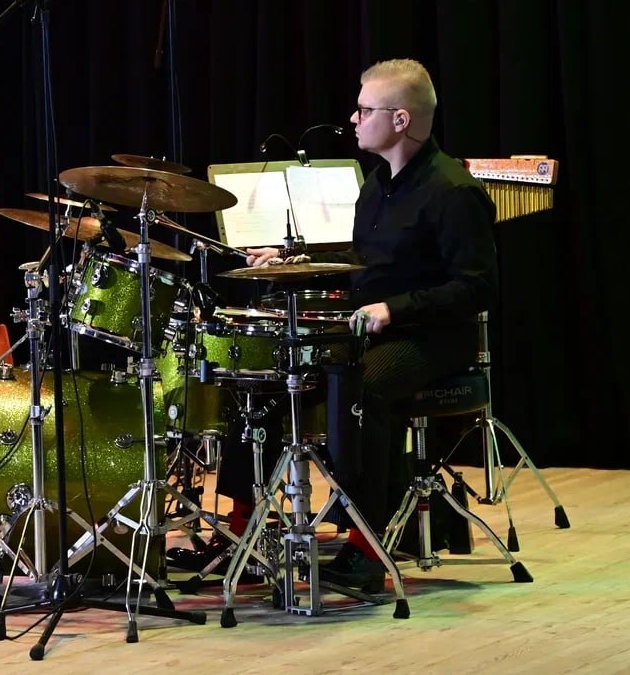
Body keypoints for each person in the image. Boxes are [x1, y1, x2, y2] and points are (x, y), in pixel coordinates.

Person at [167, 58, 497, 591]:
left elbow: (477, 287)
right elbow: (366, 259)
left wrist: (395, 309)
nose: (354, 118)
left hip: (430, 337)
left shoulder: (452, 191)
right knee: (266, 376)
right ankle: (242, 534)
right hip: (371, 330)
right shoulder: (377, 184)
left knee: (363, 388)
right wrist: (292, 257)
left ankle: (368, 548)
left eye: (365, 109)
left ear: (400, 120)